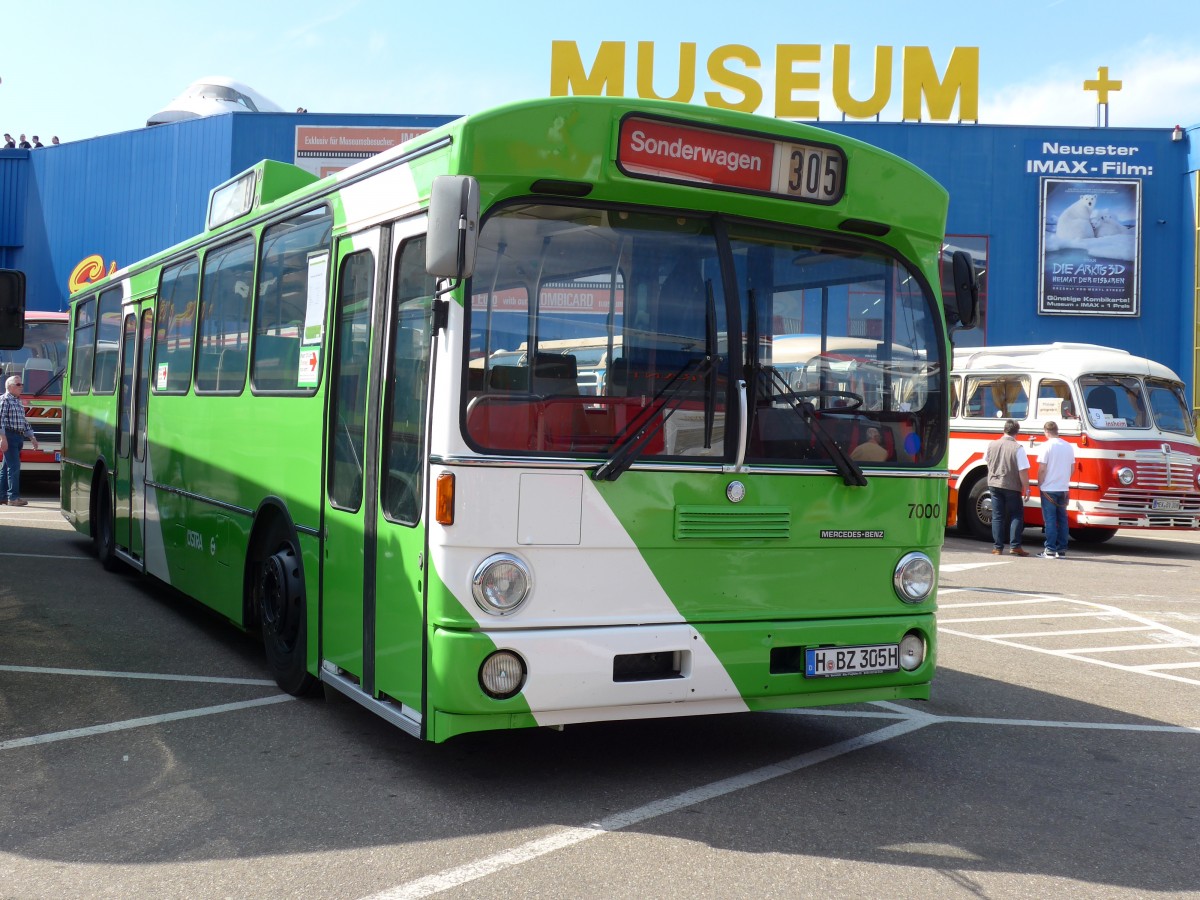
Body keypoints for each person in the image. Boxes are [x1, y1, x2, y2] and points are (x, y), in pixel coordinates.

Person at [984, 418, 1030, 555]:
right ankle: (1015, 546)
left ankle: (997, 547)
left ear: (1004, 430)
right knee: (1016, 515)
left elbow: (987, 461)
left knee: (997, 516)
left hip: (994, 483)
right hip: (1011, 485)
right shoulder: (1018, 448)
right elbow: (1023, 471)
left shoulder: (992, 444)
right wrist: (1027, 488)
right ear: (1017, 432)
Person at [0, 375, 41, 506]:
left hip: (18, 436)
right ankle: (13, 498)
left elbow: (23, 421)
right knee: (14, 467)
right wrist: (3, 438)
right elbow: (0, 420)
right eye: (18, 384)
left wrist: (32, 437)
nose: (21, 387)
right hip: (9, 436)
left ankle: (2, 496)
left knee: (6, 467)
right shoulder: (4, 400)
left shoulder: (17, 401)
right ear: (10, 386)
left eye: (21, 384)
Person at [1036, 420, 1075, 558]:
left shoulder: (1046, 446)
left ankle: (1050, 549)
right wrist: (1064, 480)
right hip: (1063, 488)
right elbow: (1072, 468)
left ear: (1046, 431)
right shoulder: (1068, 446)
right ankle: (1061, 550)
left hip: (1049, 488)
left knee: (1050, 520)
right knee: (1063, 519)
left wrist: (1040, 483)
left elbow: (1042, 468)